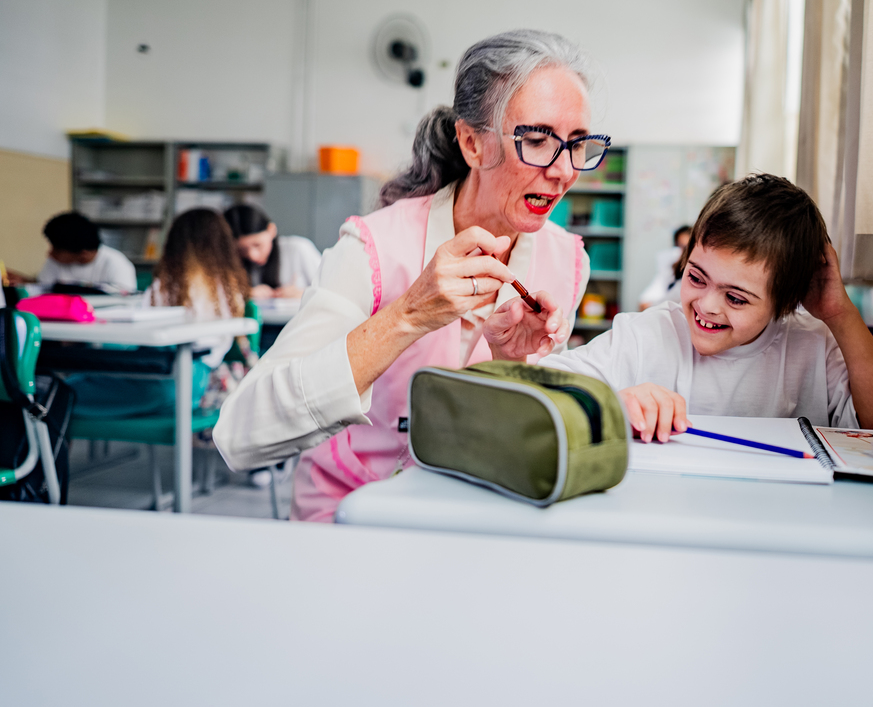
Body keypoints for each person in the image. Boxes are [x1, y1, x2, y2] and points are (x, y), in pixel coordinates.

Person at [214, 29, 606, 521]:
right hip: (351, 517)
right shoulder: (372, 247)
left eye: (577, 145)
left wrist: (513, 368)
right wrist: (407, 316)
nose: (563, 170)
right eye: (537, 140)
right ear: (472, 143)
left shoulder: (567, 260)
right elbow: (242, 433)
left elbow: (520, 428)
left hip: (483, 513)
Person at [539, 174, 873, 442]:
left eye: (735, 298)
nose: (706, 305)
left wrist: (840, 314)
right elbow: (540, 388)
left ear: (786, 303)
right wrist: (612, 401)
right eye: (696, 277)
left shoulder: (814, 347)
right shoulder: (648, 335)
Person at [68, 209, 249, 418]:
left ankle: (48, 416)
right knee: (75, 387)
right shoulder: (226, 287)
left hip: (172, 378)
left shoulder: (172, 285)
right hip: (185, 377)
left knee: (67, 390)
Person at [223, 204, 321, 300]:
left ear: (271, 230)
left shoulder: (298, 248)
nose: (252, 255)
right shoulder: (232, 260)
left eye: (257, 245)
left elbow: (331, 291)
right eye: (242, 250)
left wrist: (302, 293)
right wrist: (247, 293)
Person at [35, 211, 137, 293]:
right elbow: (43, 290)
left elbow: (125, 302)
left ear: (84, 254)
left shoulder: (117, 264)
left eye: (57, 251)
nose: (50, 254)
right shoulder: (55, 261)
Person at [637, 224, 691, 310]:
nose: (683, 251)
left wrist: (651, 305)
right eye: (680, 246)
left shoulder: (692, 271)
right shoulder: (672, 265)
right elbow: (659, 284)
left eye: (686, 247)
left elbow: (675, 296)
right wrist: (645, 301)